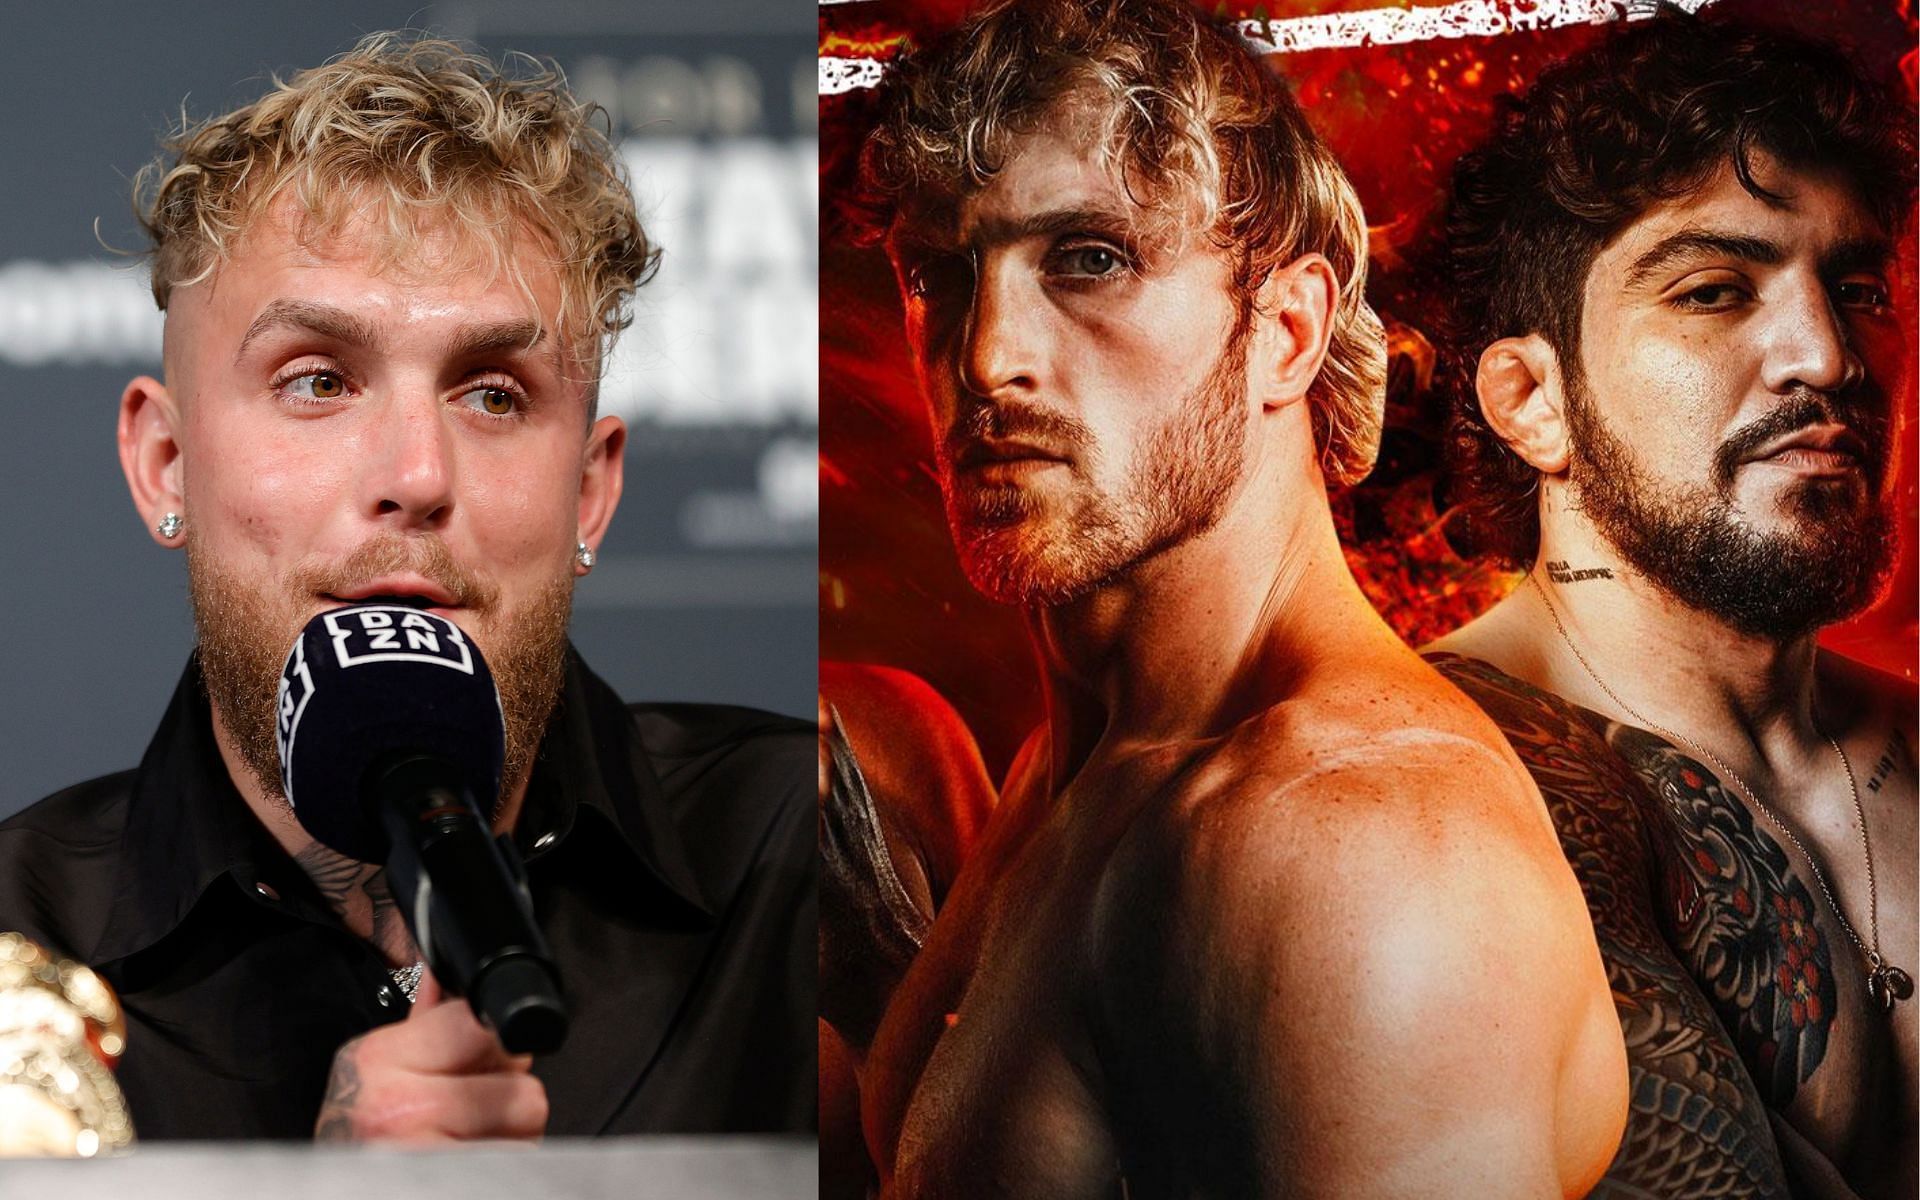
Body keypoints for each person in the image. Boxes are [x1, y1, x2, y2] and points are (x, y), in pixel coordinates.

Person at [823, 0, 1628, 1193]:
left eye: (1089, 260)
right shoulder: (1094, 756)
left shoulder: (1362, 850)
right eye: (943, 275)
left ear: (1286, 329)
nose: (988, 356)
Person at [0, 34, 815, 1142]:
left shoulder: (807, 866)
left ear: (589, 491)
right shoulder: (15, 947)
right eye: (320, 381)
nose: (417, 478)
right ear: (165, 466)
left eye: (492, 395)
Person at [1424, 9, 1916, 1197]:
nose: (1826, 356)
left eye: (1856, 288)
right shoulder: (1417, 792)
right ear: (1532, 399)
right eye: (1712, 291)